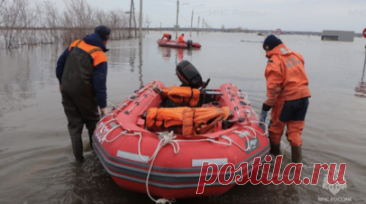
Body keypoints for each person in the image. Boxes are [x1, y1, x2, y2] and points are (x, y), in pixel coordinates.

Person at [56, 25, 110, 162]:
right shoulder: (100, 55)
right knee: (93, 123)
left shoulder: (76, 43)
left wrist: (61, 82)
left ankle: (78, 160)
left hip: (67, 90)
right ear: (106, 39)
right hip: (84, 93)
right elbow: (100, 84)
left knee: (74, 126)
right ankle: (95, 157)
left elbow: (60, 64)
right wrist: (102, 105)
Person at [259, 35, 311, 163]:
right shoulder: (297, 55)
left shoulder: (274, 62)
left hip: (286, 100)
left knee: (275, 130)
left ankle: (273, 159)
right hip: (303, 98)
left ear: (268, 47)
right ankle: (297, 164)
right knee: (295, 132)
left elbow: (274, 87)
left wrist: (267, 104)